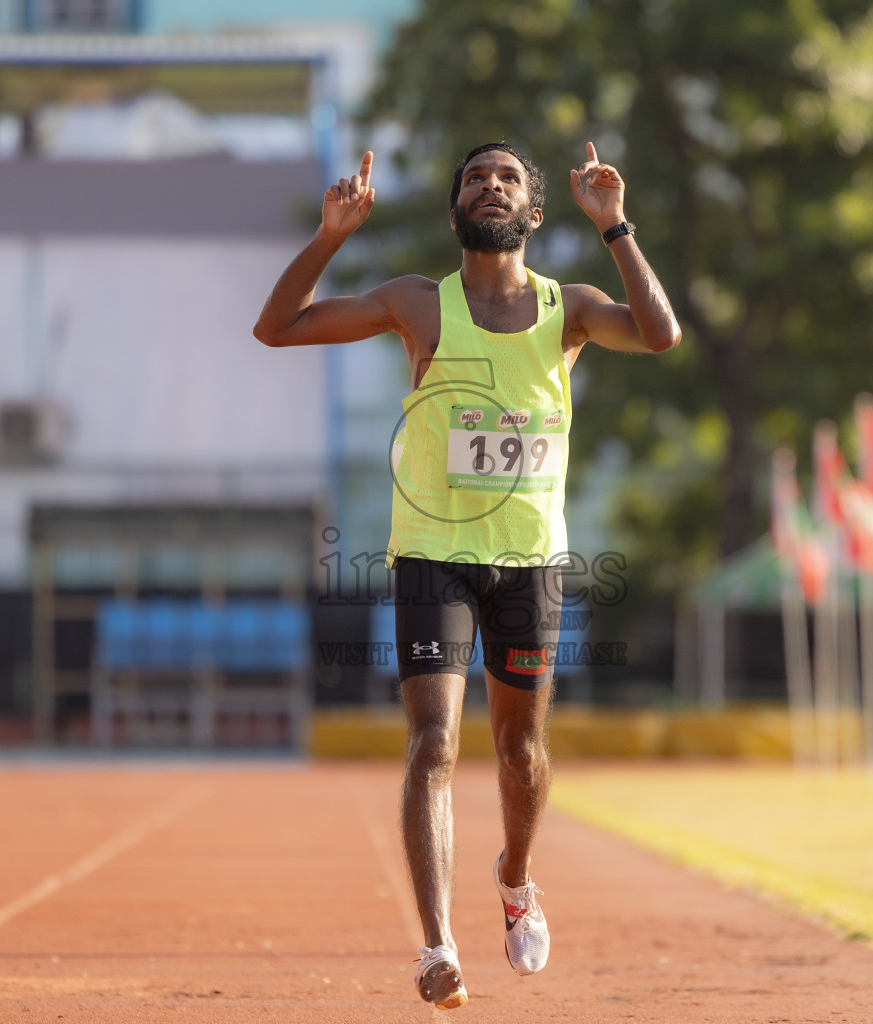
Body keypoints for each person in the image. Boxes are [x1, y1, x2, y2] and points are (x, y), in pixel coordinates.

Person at [254, 141, 681, 1010]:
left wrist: (617, 226)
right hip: (431, 554)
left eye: (508, 179)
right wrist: (331, 235)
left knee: (520, 752)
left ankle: (515, 877)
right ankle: (436, 943)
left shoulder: (572, 310)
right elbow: (276, 326)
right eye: (474, 178)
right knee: (434, 743)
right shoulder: (417, 304)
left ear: (532, 211)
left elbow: (663, 335)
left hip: (528, 560)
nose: (490, 186)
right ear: (456, 210)